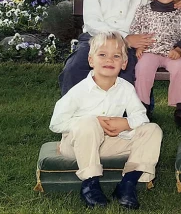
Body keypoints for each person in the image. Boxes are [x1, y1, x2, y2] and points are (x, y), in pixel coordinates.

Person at [50, 32, 163, 210]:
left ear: (124, 63)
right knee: (88, 123)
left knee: (152, 129)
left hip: (110, 144)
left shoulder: (126, 88)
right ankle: (90, 184)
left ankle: (127, 184)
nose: (109, 60)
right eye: (102, 54)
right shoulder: (79, 91)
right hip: (78, 146)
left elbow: (141, 115)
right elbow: (55, 123)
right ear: (91, 60)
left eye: (116, 56)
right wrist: (93, 121)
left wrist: (126, 123)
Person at [129, 0, 181, 130]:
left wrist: (179, 49)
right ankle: (142, 107)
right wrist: (138, 46)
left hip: (173, 52)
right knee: (142, 69)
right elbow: (135, 30)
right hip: (150, 51)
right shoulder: (144, 10)